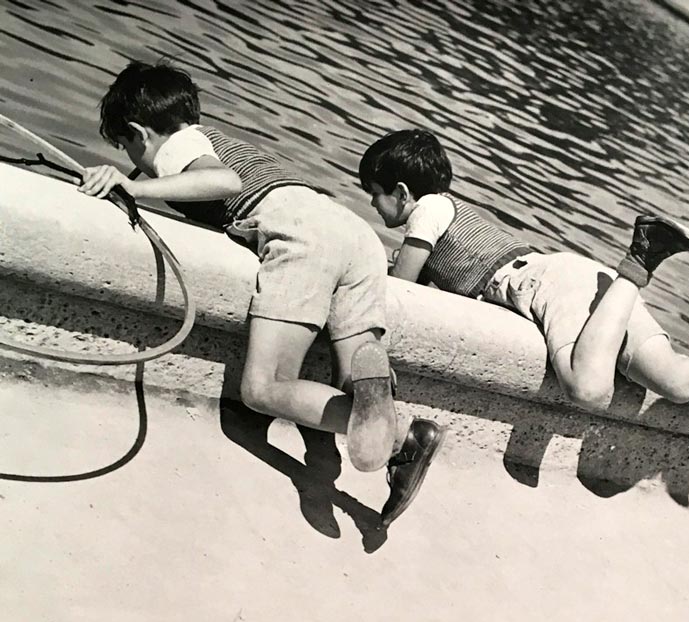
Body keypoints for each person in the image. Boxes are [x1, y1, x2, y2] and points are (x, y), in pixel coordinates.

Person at [80, 62, 445, 527]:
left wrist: (134, 185)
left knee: (263, 388)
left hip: (297, 230)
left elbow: (223, 182)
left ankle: (401, 438)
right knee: (352, 372)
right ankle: (373, 397)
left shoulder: (181, 145)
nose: (132, 160)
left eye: (127, 147)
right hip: (353, 235)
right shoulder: (211, 138)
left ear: (139, 133)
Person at [359, 129, 689, 411]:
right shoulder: (447, 209)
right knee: (682, 382)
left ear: (402, 192)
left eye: (376, 199)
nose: (379, 212)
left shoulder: (426, 208)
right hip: (589, 282)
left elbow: (402, 292)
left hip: (547, 284)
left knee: (588, 389)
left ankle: (641, 259)